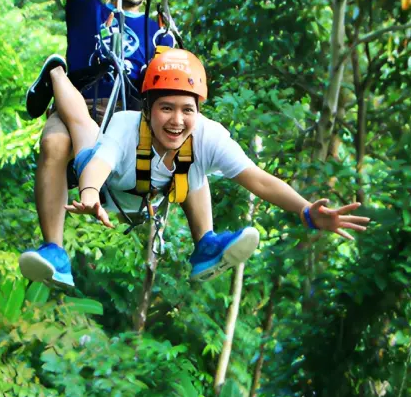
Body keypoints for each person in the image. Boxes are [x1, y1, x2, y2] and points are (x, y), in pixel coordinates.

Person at [18, 48, 369, 287]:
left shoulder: (206, 134)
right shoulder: (126, 126)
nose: (177, 120)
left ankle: (206, 244)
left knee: (193, 163)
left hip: (150, 195)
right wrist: (90, 193)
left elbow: (258, 180)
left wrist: (306, 211)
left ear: (198, 111)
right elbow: (99, 166)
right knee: (81, 124)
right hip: (108, 187)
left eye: (187, 110)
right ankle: (56, 72)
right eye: (166, 108)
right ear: (147, 109)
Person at [21, 0, 216, 284]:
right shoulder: (88, 11)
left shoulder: (157, 32)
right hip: (82, 102)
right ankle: (54, 250)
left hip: (128, 117)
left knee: (187, 142)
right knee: (53, 143)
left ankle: (206, 242)